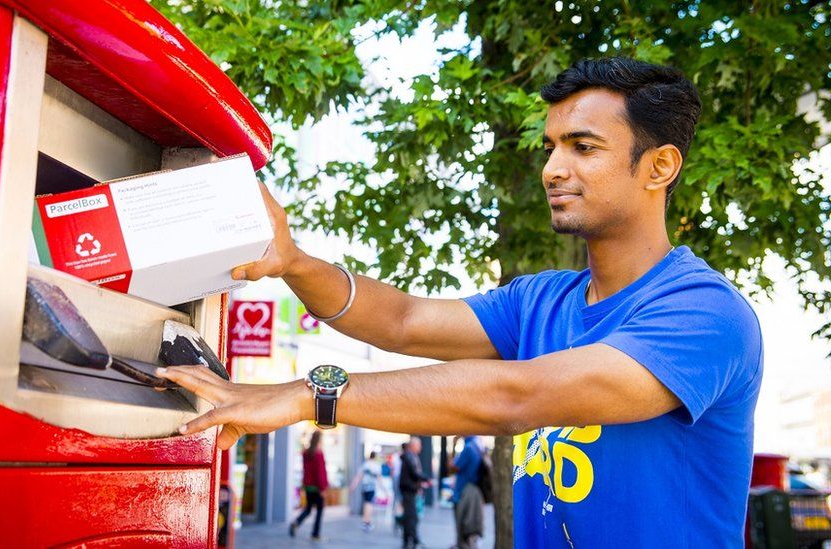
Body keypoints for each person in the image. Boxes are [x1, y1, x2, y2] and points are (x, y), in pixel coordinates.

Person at [158, 57, 763, 547]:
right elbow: (403, 320)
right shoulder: (541, 300)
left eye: (583, 147)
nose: (553, 168)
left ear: (658, 167)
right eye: (550, 147)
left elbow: (517, 395)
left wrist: (305, 396)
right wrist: (292, 262)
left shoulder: (704, 313)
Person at [289, 431, 328, 541]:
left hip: (308, 486)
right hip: (317, 487)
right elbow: (320, 473)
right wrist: (323, 488)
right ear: (320, 440)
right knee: (319, 511)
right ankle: (315, 534)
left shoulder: (306, 453)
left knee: (308, 509)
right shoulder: (319, 454)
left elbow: (306, 470)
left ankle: (297, 522)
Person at [448, 436, 484, 549]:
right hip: (473, 490)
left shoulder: (468, 447)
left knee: (463, 527)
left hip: (464, 491)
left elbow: (452, 467)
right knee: (469, 526)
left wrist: (453, 446)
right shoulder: (477, 446)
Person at [399, 437, 429, 549]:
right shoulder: (409, 456)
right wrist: (426, 479)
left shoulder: (411, 456)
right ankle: (414, 540)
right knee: (412, 517)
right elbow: (415, 472)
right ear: (413, 445)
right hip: (408, 490)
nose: (421, 447)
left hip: (410, 489)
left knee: (410, 516)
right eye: (419, 445)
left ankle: (408, 540)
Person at [349, 451, 383, 532]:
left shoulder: (365, 465)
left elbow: (358, 477)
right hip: (371, 487)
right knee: (369, 504)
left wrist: (353, 486)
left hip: (364, 487)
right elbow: (379, 479)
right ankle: (367, 522)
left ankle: (365, 521)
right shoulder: (376, 466)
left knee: (366, 503)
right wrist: (385, 490)